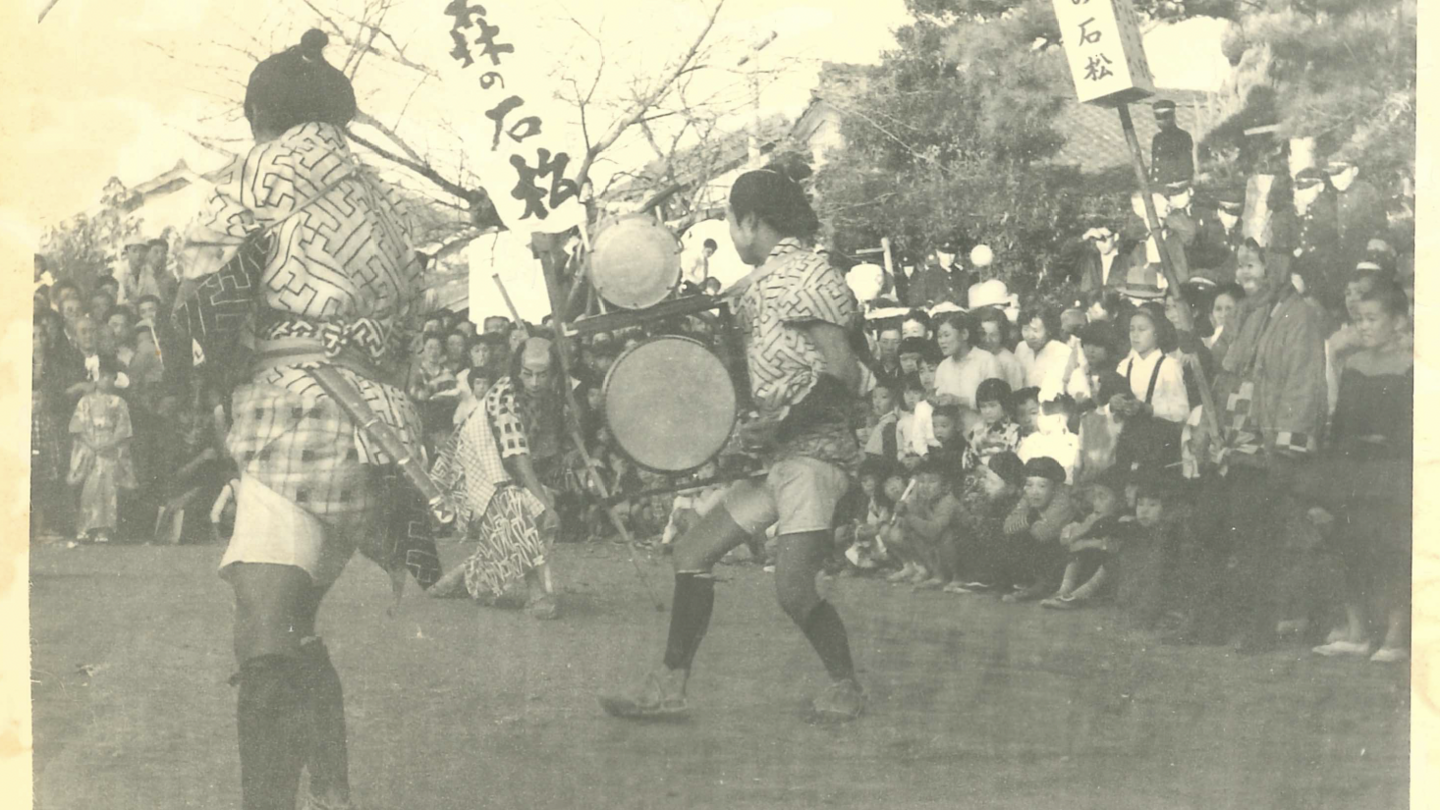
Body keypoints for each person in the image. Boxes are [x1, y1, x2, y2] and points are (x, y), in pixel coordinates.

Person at [179, 30, 438, 810]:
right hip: (374, 427)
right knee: (287, 620)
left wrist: (212, 367)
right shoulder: (389, 202)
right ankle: (331, 791)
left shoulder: (260, 169)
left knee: (264, 626)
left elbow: (197, 295)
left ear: (260, 114)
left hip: (294, 411)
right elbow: (410, 326)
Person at [601, 160, 867, 722]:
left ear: (750, 221)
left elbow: (844, 372)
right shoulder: (758, 286)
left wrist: (780, 425)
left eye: (729, 220)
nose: (729, 232)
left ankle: (846, 686)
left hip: (815, 458)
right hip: (777, 459)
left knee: (792, 589)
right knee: (691, 553)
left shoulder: (810, 276)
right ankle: (669, 686)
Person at [1178, 239, 1327, 653]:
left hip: (1265, 440)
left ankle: (1257, 629)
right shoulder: (1243, 312)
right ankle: (1210, 621)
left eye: (1252, 266)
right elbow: (1216, 367)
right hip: (1227, 435)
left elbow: (1303, 381)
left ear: (1273, 268)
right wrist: (1187, 335)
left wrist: (1286, 446)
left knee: (1254, 537)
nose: (1243, 274)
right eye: (1240, 266)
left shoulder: (1299, 317)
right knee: (1208, 526)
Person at [1307, 281, 1411, 663]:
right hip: (1353, 473)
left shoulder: (1411, 367)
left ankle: (1395, 637)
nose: (1364, 327)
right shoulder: (1352, 365)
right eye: (1359, 320)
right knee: (1350, 547)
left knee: (1392, 552)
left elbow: (1411, 428)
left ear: (1397, 322)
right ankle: (1357, 632)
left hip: (1392, 474)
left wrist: (1383, 442)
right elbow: (1341, 426)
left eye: (1372, 319)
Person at [480, 336, 575, 608]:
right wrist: (545, 504)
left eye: (542, 375)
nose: (534, 382)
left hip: (512, 463)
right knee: (522, 506)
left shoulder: (554, 392)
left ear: (553, 373)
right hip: (479, 461)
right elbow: (518, 458)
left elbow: (551, 443)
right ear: (517, 370)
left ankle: (470, 576)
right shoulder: (505, 396)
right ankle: (536, 593)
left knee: (535, 506)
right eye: (527, 374)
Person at [67, 356, 137, 544]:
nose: (107, 380)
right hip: (89, 448)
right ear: (96, 377)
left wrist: (110, 443)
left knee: (107, 487)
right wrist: (92, 445)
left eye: (110, 377)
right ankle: (84, 527)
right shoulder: (85, 401)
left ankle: (103, 529)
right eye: (103, 376)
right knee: (89, 488)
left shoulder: (119, 402)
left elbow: (123, 429)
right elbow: (78, 428)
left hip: (110, 449)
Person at [1041, 472, 1126, 610]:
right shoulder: (1092, 518)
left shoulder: (1121, 521)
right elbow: (1067, 541)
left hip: (1105, 576)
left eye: (1102, 497)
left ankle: (1078, 596)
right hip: (1088, 566)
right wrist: (1085, 528)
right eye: (1095, 496)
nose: (1095, 503)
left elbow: (1112, 547)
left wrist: (1086, 542)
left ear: (1120, 501)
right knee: (1070, 554)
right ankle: (1064, 590)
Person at [997, 457, 1075, 603]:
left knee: (1034, 539)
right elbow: (1007, 527)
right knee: (1013, 538)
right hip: (1042, 550)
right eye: (1029, 485)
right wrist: (1030, 519)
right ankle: (1026, 582)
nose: (1035, 492)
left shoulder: (1063, 499)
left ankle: (1040, 587)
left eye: (1042, 486)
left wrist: (1029, 519)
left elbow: (1043, 533)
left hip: (1062, 554)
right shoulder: (1028, 497)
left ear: (1055, 487)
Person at [933, 312, 1000, 411]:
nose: (942, 341)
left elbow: (996, 401)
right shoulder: (943, 366)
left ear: (964, 334)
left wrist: (959, 400)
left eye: (946, 335)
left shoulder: (986, 360)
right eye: (939, 336)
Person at [1015, 307, 1069, 401]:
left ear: (1048, 330)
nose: (1030, 336)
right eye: (1026, 330)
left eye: (1035, 331)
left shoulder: (1062, 351)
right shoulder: (1021, 348)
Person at [964, 378, 1019, 470]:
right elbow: (968, 458)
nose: (987, 411)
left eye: (992, 405)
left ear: (1005, 405)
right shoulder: (976, 430)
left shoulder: (1014, 431)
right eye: (983, 406)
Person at [973, 307, 1024, 390]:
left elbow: (1016, 393)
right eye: (983, 334)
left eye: (993, 335)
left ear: (1002, 335)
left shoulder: (1009, 362)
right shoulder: (975, 355)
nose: (987, 340)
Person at [1149, 99, 1193, 186]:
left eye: (1165, 117)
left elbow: (1185, 167)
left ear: (1173, 117)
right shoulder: (1157, 138)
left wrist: (1178, 184)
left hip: (1176, 186)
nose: (1162, 121)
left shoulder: (1182, 136)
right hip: (1159, 186)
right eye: (1158, 117)